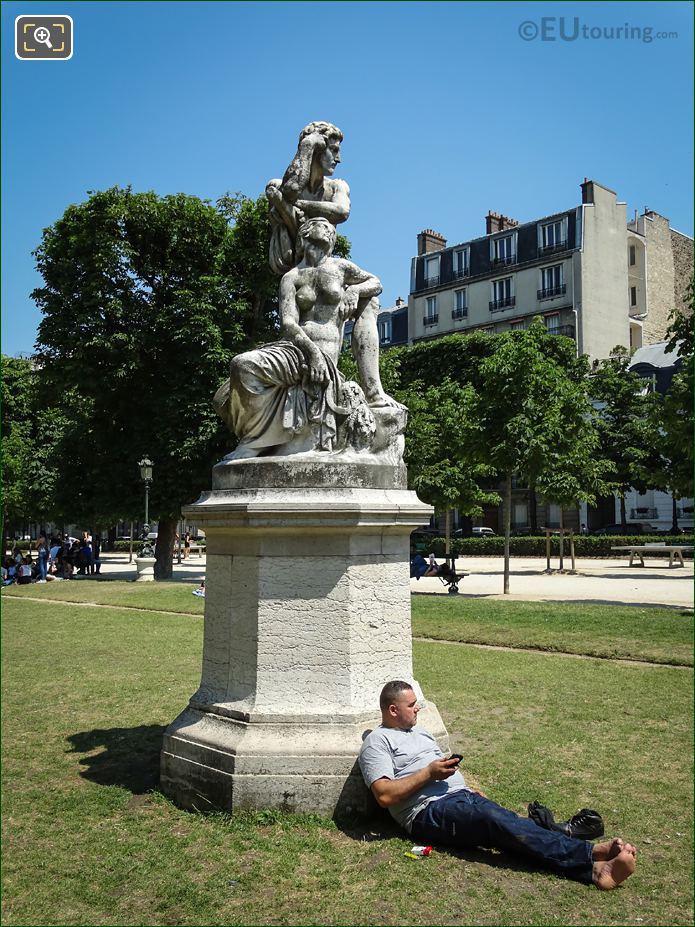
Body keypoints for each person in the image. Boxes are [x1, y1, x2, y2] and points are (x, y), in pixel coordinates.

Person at [359, 680, 637, 891]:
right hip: (427, 813)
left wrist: (463, 787)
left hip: (461, 798)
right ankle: (592, 868)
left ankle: (593, 854)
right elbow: (384, 795)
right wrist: (430, 773)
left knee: (509, 825)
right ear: (393, 710)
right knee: (499, 823)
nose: (418, 707)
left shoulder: (420, 732)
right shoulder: (378, 742)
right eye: (411, 705)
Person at [214, 217, 399, 459]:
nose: (327, 228)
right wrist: (311, 352)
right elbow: (288, 322)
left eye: (329, 228)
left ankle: (375, 391)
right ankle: (255, 440)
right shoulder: (292, 277)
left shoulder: (341, 268)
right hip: (296, 351)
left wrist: (354, 290)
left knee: (370, 303)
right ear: (304, 235)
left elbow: (375, 282)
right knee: (242, 364)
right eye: (319, 224)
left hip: (327, 355)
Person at [266, 121, 350, 276]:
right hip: (290, 264)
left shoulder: (337, 186)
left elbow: (342, 212)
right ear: (318, 149)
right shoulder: (283, 186)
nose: (339, 159)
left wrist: (299, 204)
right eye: (333, 150)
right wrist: (308, 145)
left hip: (321, 266)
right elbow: (291, 189)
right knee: (274, 187)